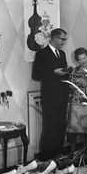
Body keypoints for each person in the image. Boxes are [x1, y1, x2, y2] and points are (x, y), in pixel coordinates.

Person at [31, 28, 70, 161]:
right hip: (50, 96)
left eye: (65, 40)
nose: (63, 42)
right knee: (50, 127)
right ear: (54, 38)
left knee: (61, 126)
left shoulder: (62, 54)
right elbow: (36, 75)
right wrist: (53, 72)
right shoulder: (42, 54)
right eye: (62, 39)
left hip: (62, 96)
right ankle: (47, 157)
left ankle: (58, 155)